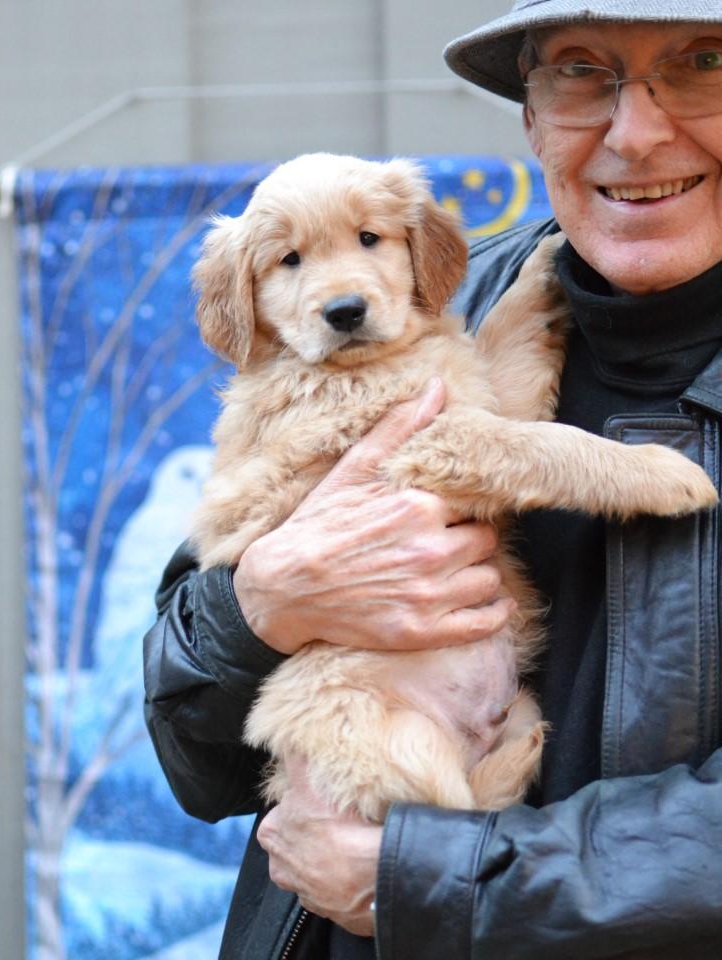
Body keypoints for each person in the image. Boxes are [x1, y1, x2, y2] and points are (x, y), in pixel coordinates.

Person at [143, 1, 722, 956]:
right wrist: (261, 608)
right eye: (582, 70)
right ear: (530, 116)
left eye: (702, 60)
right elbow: (193, 753)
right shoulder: (456, 299)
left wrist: (427, 880)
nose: (637, 130)